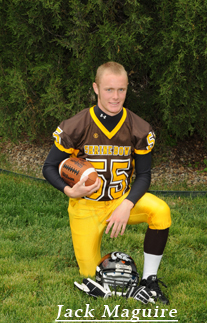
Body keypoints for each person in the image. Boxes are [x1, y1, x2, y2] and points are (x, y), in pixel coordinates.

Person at [43, 62, 171, 304]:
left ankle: (149, 281)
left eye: (121, 90)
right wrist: (69, 190)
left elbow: (144, 175)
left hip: (120, 199)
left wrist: (127, 204)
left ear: (127, 89)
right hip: (86, 205)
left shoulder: (139, 127)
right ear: (96, 88)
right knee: (91, 278)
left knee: (161, 212)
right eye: (109, 89)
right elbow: (49, 167)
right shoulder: (76, 125)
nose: (115, 96)